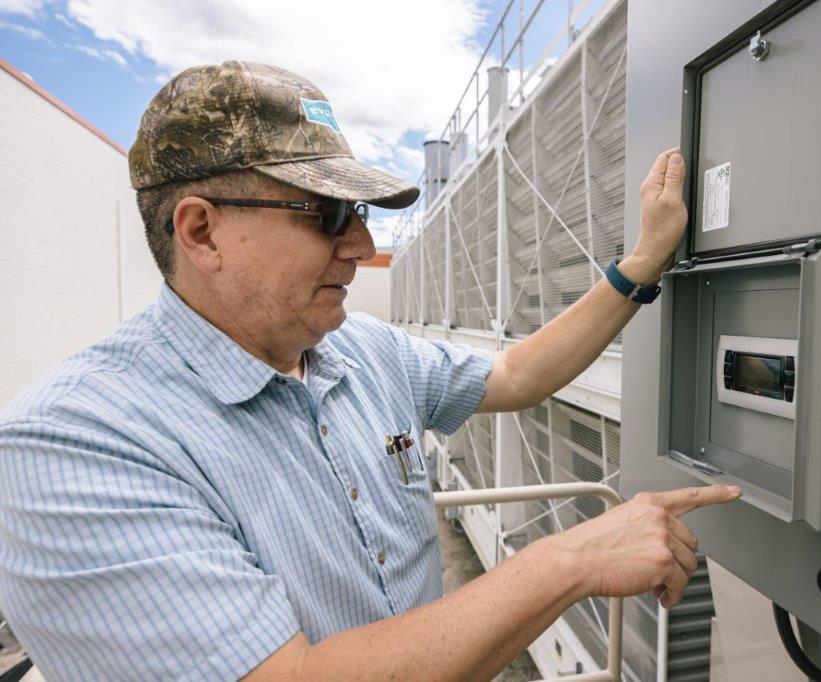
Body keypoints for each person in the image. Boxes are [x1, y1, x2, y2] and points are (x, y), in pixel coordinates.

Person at [0, 61, 740, 681]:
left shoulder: (365, 352)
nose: (359, 244)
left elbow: (515, 374)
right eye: (324, 212)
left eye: (357, 212)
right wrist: (567, 560)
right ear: (202, 231)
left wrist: (641, 265)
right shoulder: (74, 445)